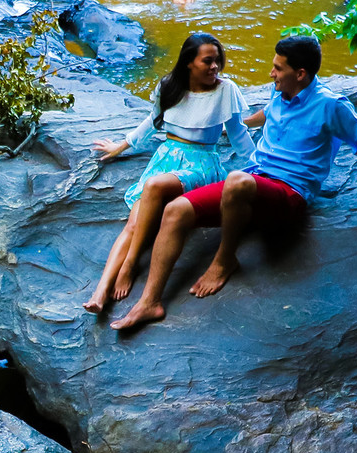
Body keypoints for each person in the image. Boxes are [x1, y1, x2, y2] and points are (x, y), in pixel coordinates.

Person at [110, 35, 357, 331]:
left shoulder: (331, 106)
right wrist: (227, 120)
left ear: (300, 74)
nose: (270, 73)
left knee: (237, 181)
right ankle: (149, 303)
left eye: (277, 68)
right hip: (254, 185)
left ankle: (225, 259)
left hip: (288, 194)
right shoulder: (280, 95)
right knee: (176, 210)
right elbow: (264, 117)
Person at [84, 33, 256, 315]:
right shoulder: (170, 85)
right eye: (208, 61)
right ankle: (100, 292)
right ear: (189, 63)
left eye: (218, 61)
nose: (215, 67)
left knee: (153, 186)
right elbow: (151, 123)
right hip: (166, 159)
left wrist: (259, 166)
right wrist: (120, 146)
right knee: (132, 224)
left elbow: (239, 136)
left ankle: (129, 265)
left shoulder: (226, 91)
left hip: (201, 164)